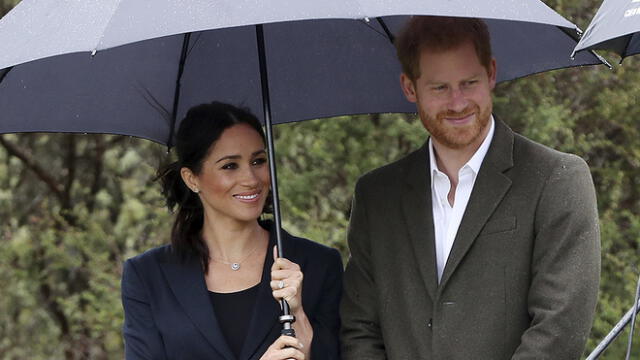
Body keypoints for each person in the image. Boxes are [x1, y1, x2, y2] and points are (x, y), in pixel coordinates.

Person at [340, 16, 601, 359]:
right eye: (439, 88)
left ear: (491, 73)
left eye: (469, 82)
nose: (458, 102)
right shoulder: (377, 196)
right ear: (409, 88)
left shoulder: (557, 178)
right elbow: (359, 329)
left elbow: (558, 332)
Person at [121, 102, 343, 360]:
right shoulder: (148, 276)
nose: (251, 178)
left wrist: (300, 317)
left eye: (258, 161)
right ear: (191, 178)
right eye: (230, 166)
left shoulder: (318, 265)